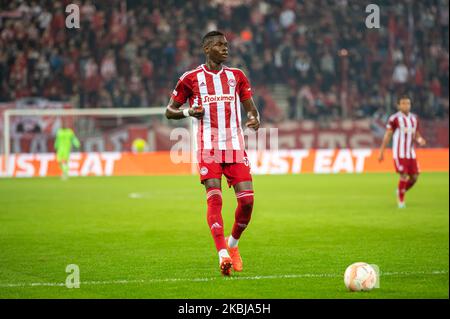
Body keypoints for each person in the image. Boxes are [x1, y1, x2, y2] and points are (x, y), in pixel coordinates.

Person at [165, 31, 260, 276]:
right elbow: (170, 111)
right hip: (208, 148)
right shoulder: (190, 78)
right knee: (215, 199)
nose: (225, 48)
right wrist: (188, 113)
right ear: (207, 49)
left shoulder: (237, 76)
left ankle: (233, 244)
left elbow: (251, 109)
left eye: (227, 45)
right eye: (220, 45)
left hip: (235, 147)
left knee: (247, 201)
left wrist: (253, 119)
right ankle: (222, 255)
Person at [378, 95, 427, 208]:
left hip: (411, 153)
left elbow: (416, 134)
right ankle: (401, 202)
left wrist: (420, 140)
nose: (406, 106)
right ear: (398, 105)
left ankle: (401, 190)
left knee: (414, 178)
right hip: (399, 153)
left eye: (408, 103)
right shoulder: (394, 118)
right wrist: (381, 152)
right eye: (403, 103)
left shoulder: (414, 118)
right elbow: (388, 135)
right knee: (404, 176)